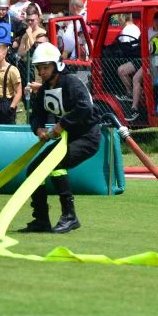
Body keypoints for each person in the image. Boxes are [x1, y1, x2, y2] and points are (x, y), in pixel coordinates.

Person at [21, 42, 102, 234]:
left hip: (88, 137)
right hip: (68, 138)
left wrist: (61, 125)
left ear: (57, 65)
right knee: (33, 169)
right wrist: (39, 129)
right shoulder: (43, 90)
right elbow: (37, 115)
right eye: (39, 68)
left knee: (56, 166)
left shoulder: (71, 82)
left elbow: (85, 108)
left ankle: (70, 216)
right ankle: (41, 219)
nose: (42, 71)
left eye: (46, 67)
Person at [126, 11, 158, 122]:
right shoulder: (149, 31)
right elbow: (143, 45)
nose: (157, 24)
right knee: (136, 78)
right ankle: (134, 107)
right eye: (155, 21)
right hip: (150, 60)